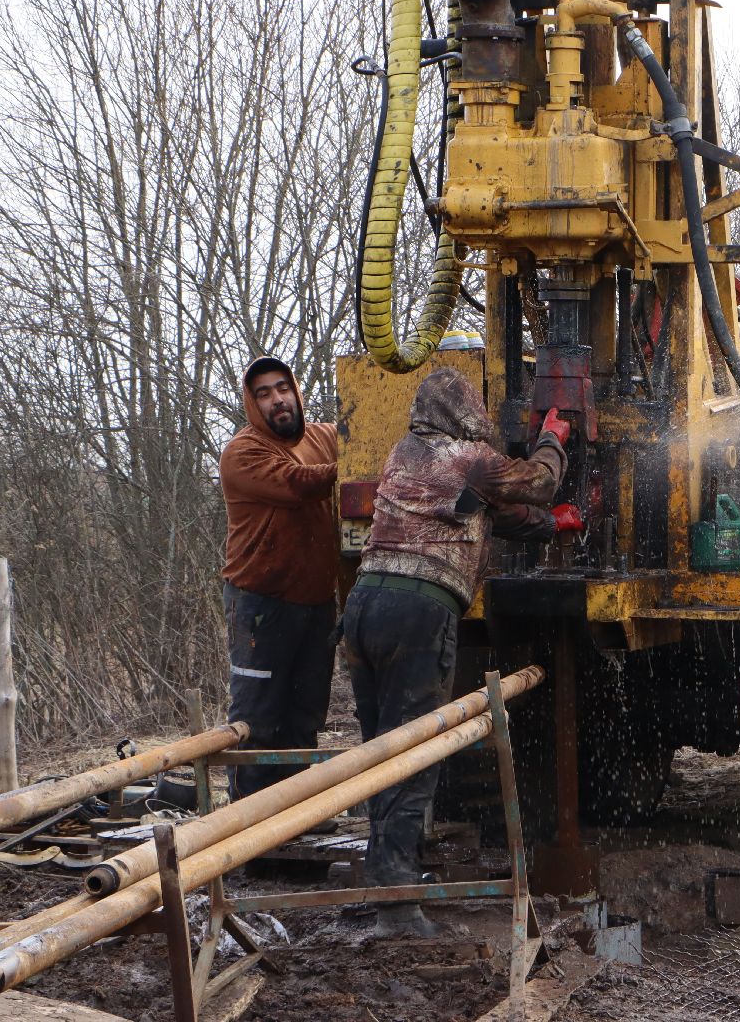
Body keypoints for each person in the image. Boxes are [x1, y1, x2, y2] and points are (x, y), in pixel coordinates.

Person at [345, 368, 577, 937]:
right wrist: (552, 438)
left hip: (363, 605)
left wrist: (548, 527)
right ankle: (399, 907)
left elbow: (488, 512)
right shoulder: (468, 456)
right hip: (418, 611)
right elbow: (540, 482)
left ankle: (384, 878)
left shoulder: (406, 455)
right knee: (416, 751)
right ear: (462, 410)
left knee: (381, 751)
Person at [219, 356, 339, 801]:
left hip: (316, 602)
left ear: (296, 392)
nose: (278, 400)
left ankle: (297, 818)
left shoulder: (325, 437)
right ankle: (249, 825)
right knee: (257, 718)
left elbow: (362, 442)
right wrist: (354, 465)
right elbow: (298, 483)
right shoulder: (243, 453)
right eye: (265, 394)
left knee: (305, 717)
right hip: (260, 604)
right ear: (253, 404)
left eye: (283, 388)